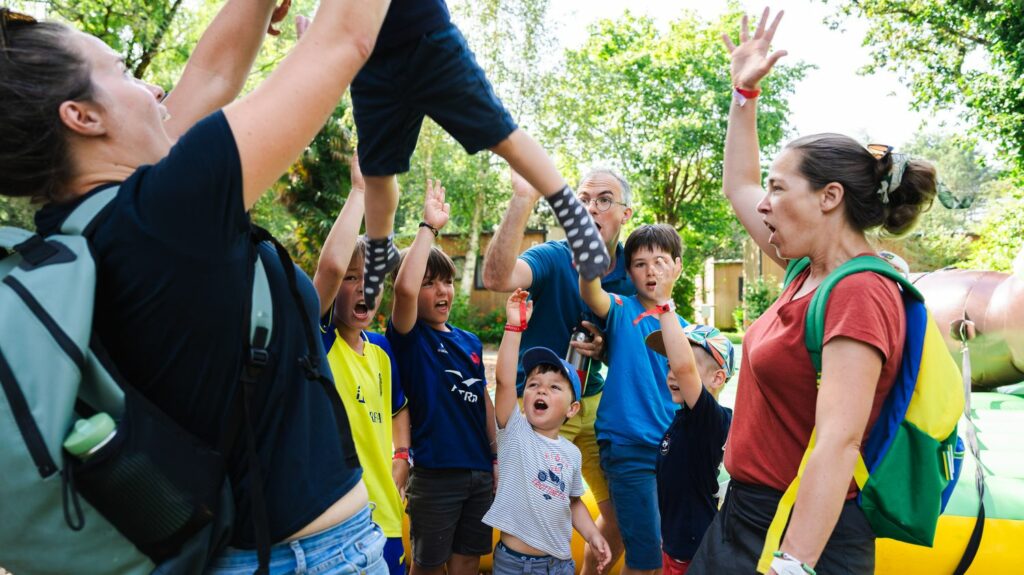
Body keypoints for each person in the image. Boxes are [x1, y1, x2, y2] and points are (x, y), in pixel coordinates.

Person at [0, 0, 393, 571]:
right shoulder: (168, 212)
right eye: (123, 72)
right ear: (82, 117)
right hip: (312, 559)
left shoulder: (85, 228)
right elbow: (346, 40)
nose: (155, 88)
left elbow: (211, 75)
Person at [688, 8, 938, 575]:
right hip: (747, 515)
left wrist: (793, 564)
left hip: (803, 532)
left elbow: (838, 442)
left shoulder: (860, 292)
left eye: (780, 188)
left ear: (829, 197)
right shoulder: (805, 270)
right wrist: (743, 92)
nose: (765, 202)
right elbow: (739, 184)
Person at [351, 0, 609, 311]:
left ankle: (573, 214)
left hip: (426, 37)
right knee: (377, 170)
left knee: (501, 134)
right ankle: (380, 246)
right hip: (368, 57)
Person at [482, 167, 636, 574]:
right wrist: (522, 199)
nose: (590, 208)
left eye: (604, 199)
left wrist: (606, 348)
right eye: (581, 199)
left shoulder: (631, 271)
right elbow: (496, 277)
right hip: (541, 407)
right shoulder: (553, 257)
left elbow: (642, 346)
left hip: (593, 402)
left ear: (626, 213)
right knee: (538, 513)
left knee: (622, 514)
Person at [385, 180, 497, 575]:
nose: (441, 290)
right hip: (434, 475)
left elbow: (482, 399)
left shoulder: (469, 340)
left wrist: (496, 457)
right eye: (429, 283)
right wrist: (428, 229)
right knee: (429, 566)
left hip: (478, 471)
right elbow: (403, 290)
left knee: (467, 561)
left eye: (446, 281)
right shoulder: (408, 338)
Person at [314, 155, 412, 575]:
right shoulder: (318, 340)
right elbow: (330, 266)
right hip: (335, 521)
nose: (364, 289)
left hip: (386, 514)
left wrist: (403, 455)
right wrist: (359, 191)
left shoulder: (382, 350)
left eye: (371, 280)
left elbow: (398, 407)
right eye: (353, 279)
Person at [578, 224, 689, 575]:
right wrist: (594, 249)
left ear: (678, 267)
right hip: (629, 448)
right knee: (647, 560)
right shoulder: (622, 309)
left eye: (660, 261)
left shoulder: (686, 329)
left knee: (653, 549)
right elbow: (591, 291)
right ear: (628, 273)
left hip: (671, 452)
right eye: (640, 264)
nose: (651, 270)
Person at [483, 288, 613, 575]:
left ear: (572, 409)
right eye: (533, 384)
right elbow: (505, 381)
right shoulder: (515, 432)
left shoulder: (571, 453)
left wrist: (593, 534)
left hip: (559, 564)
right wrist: (514, 327)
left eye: (555, 387)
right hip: (513, 564)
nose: (541, 388)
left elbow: (574, 502)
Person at [645, 323, 734, 575]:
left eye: (684, 368)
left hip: (695, 553)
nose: (674, 373)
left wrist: (664, 306)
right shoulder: (682, 419)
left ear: (717, 378)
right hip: (675, 545)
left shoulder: (710, 421)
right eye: (669, 364)